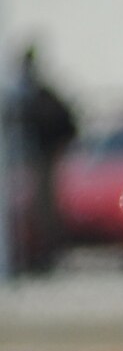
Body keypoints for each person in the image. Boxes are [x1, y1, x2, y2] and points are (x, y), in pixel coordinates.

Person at [7, 44, 79, 273]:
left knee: (44, 208)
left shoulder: (41, 97)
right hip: (20, 160)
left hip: (40, 158)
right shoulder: (21, 94)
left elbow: (62, 123)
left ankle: (46, 254)